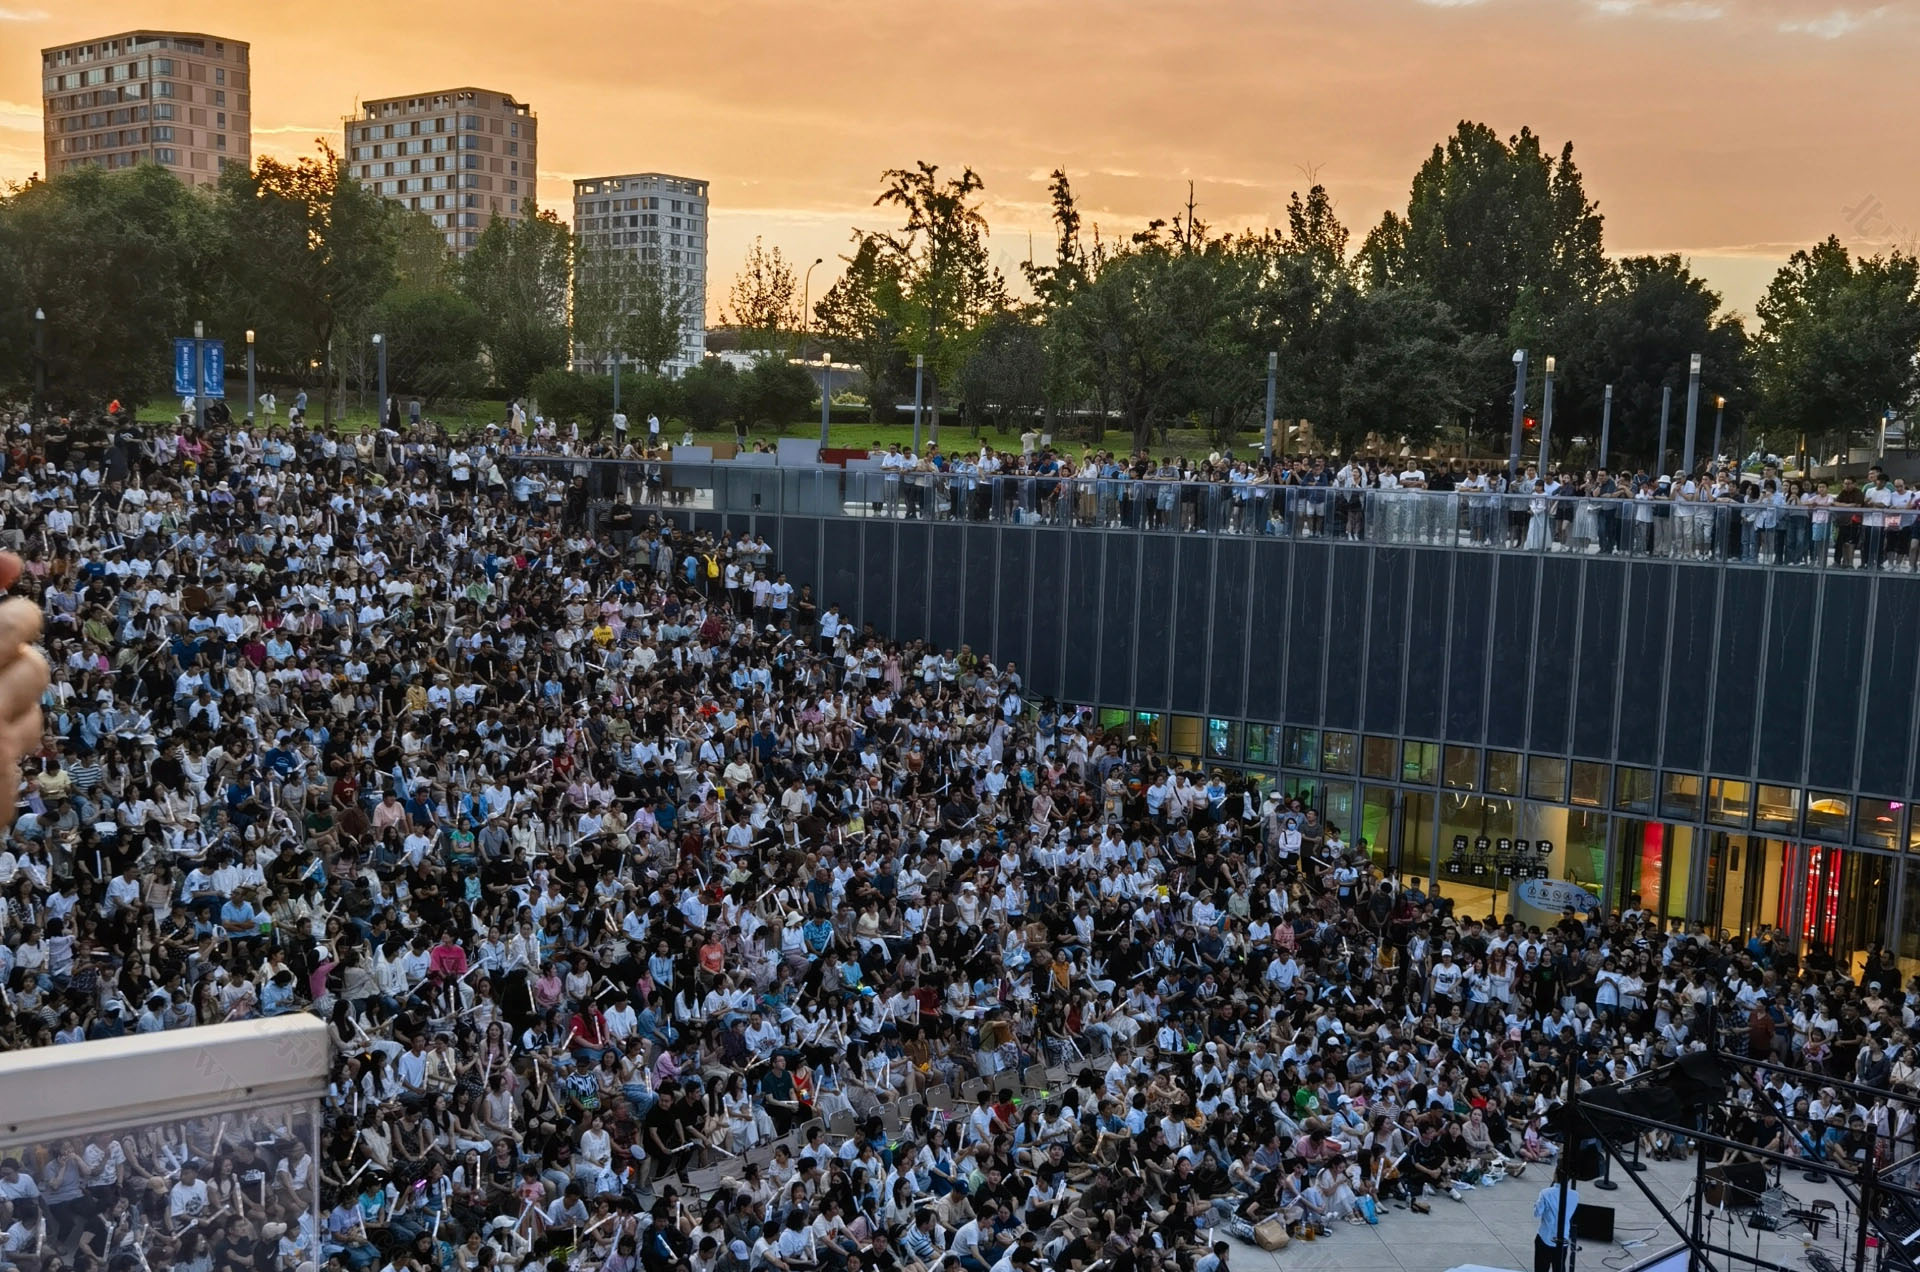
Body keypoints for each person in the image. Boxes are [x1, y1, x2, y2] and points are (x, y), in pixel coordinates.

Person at [1533, 1169, 1579, 1272]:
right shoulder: (1575, 1195)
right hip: (1563, 1238)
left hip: (1545, 1237)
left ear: (1555, 1176)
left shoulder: (1545, 1193)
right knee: (1559, 1266)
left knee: (1541, 1268)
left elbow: (1537, 1213)